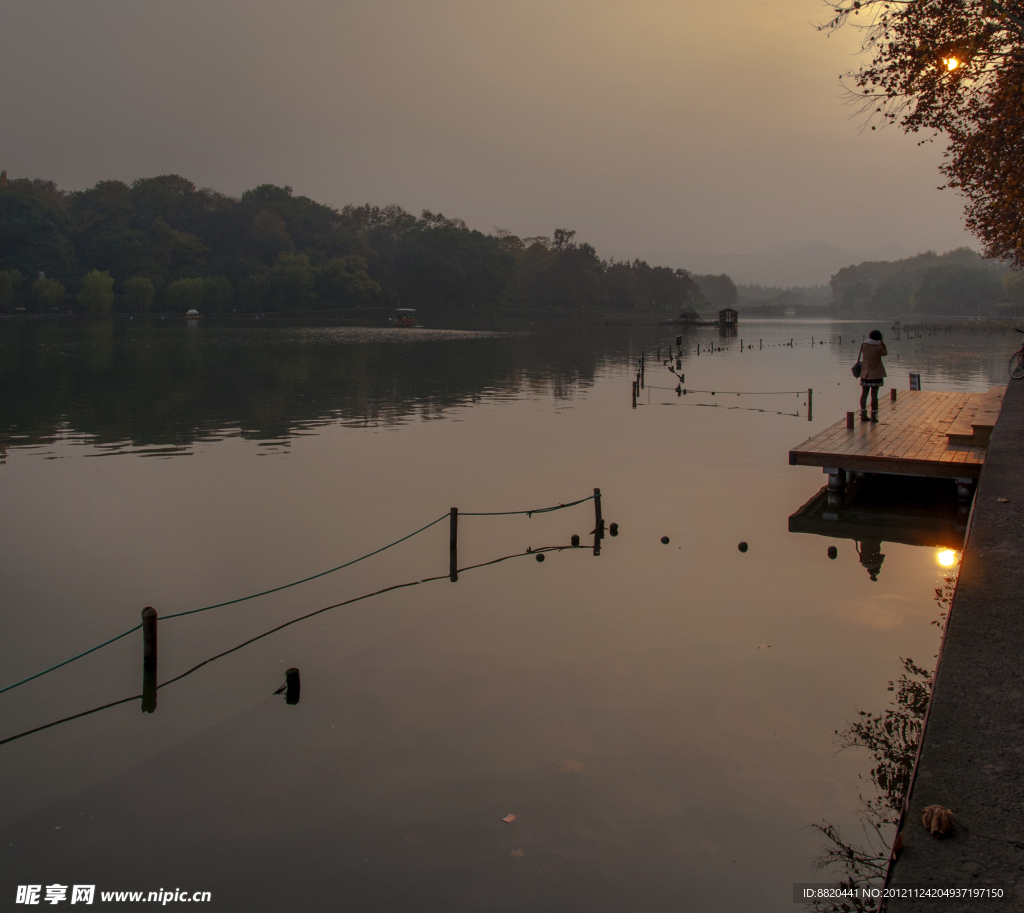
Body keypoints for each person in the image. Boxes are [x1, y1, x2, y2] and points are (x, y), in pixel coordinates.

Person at [858, 330, 887, 422]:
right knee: (874, 395)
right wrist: (882, 342)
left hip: (865, 373)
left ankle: (863, 414)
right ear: (879, 337)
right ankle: (874, 416)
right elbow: (885, 353)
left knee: (864, 394)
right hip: (876, 374)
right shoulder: (878, 347)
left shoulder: (864, 345)